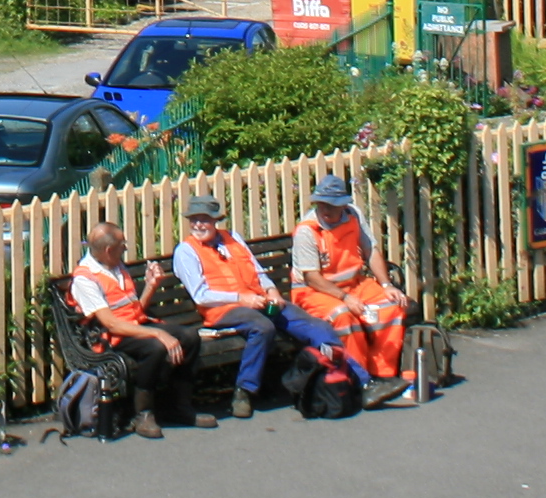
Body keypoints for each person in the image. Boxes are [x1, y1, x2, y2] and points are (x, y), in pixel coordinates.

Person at [173, 193, 348, 414]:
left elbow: (257, 271)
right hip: (224, 310)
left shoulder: (233, 238)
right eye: (194, 220)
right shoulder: (186, 251)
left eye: (204, 219)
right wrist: (241, 299)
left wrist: (272, 290)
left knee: (315, 325)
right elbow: (201, 295)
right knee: (262, 327)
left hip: (258, 300)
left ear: (215, 221)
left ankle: (345, 378)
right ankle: (244, 391)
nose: (198, 225)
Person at [66, 221, 197, 437]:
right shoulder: (85, 279)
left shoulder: (116, 265)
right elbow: (111, 324)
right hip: (112, 336)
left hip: (135, 325)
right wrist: (158, 333)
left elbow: (135, 309)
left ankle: (179, 406)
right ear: (109, 250)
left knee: (189, 337)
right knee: (155, 348)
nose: (126, 248)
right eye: (122, 245)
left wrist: (151, 285)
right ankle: (143, 413)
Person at [288, 176, 413, 397]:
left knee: (390, 308)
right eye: (321, 204)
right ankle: (358, 382)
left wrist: (386, 285)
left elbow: (370, 250)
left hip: (354, 284)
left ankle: (383, 376)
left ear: (343, 205)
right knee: (343, 317)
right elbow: (312, 278)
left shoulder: (353, 215)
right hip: (314, 291)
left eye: (331, 204)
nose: (325, 209)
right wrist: (345, 298)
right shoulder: (307, 230)